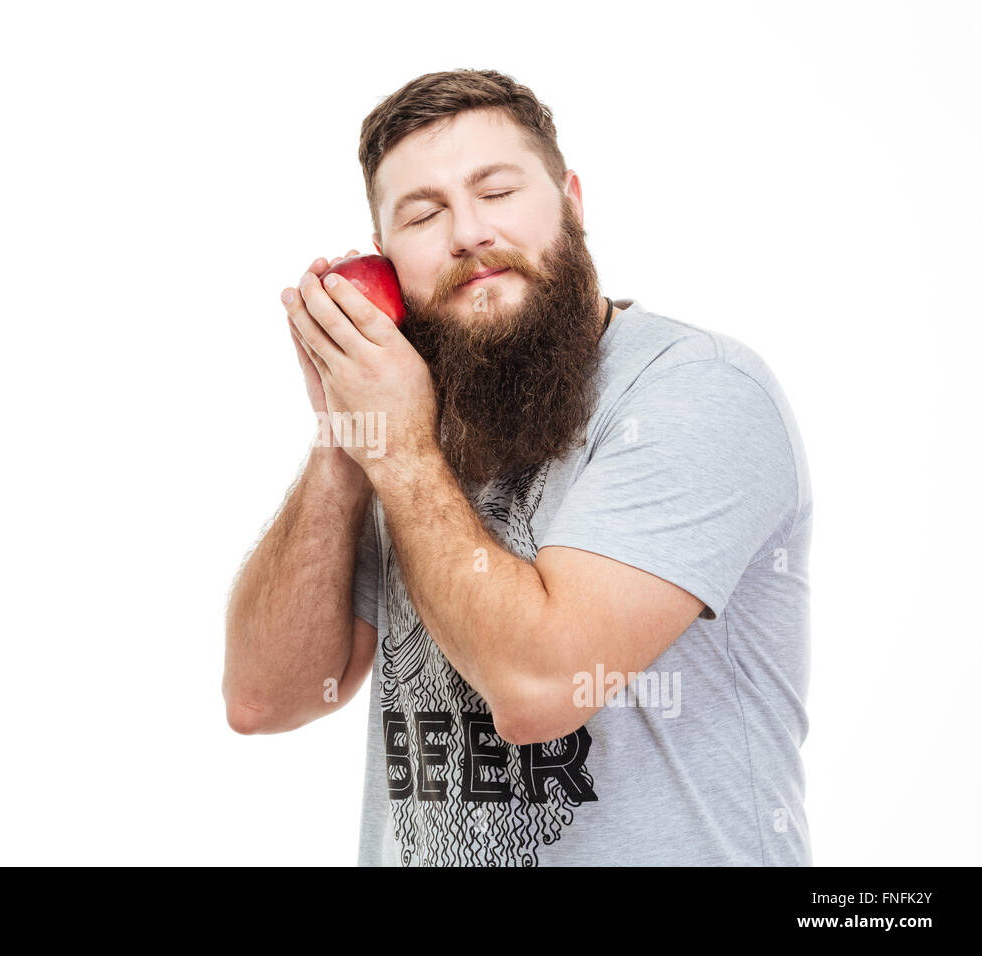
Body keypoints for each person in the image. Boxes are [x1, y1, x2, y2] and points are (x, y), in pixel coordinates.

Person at [223, 69, 812, 867]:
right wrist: (344, 436)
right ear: (386, 262)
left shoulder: (697, 390)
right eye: (424, 214)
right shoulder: (405, 421)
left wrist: (395, 444)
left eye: (496, 192)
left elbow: (541, 691)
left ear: (571, 201)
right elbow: (263, 700)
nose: (467, 232)